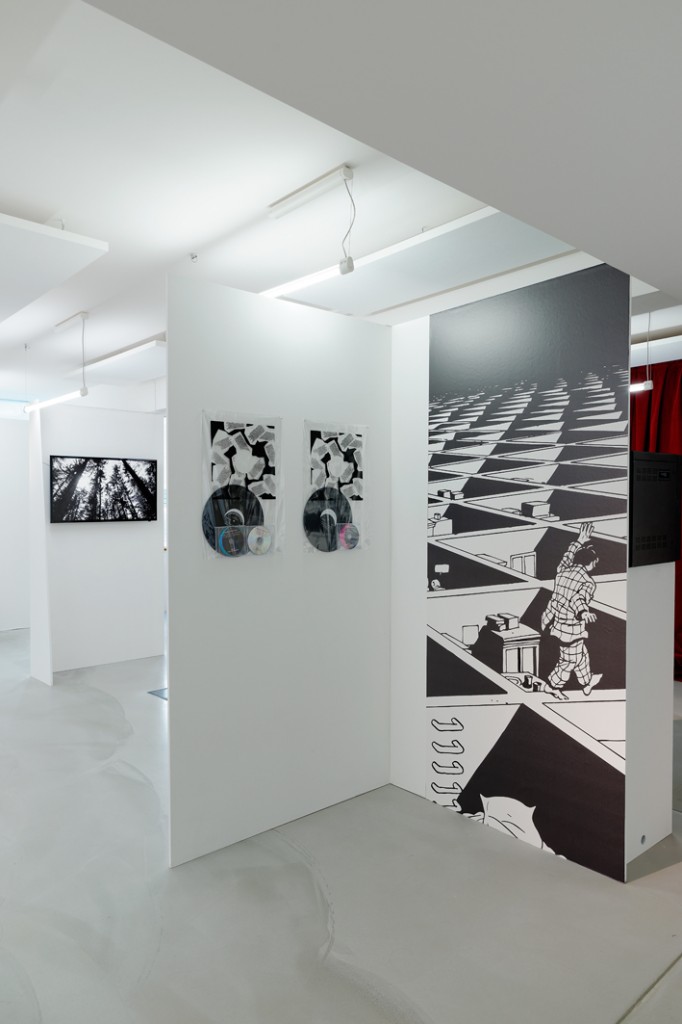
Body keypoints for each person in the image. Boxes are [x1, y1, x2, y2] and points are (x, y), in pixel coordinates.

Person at [541, 522, 599, 699]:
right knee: (569, 661)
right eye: (595, 561)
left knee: (582, 656)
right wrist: (583, 613)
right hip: (571, 630)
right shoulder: (587, 582)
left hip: (558, 624)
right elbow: (577, 598)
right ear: (591, 563)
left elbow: (567, 556)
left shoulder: (562, 571)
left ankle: (586, 683)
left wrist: (579, 540)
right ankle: (552, 686)